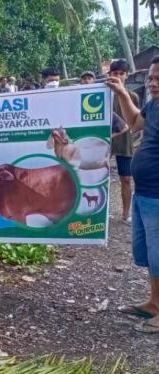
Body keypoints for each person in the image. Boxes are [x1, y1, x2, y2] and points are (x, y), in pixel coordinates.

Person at [107, 55, 159, 333]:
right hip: (145, 192)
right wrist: (123, 93)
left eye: (158, 79)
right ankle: (154, 303)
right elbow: (135, 122)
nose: (152, 83)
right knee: (150, 254)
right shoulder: (154, 105)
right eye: (151, 77)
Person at [108, 59, 141, 225]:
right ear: (110, 75)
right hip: (105, 143)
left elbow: (136, 122)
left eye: (121, 73)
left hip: (125, 142)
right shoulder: (102, 95)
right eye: (115, 73)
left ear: (127, 75)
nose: (118, 77)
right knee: (99, 177)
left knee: (126, 179)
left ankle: (125, 214)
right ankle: (102, 213)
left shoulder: (132, 96)